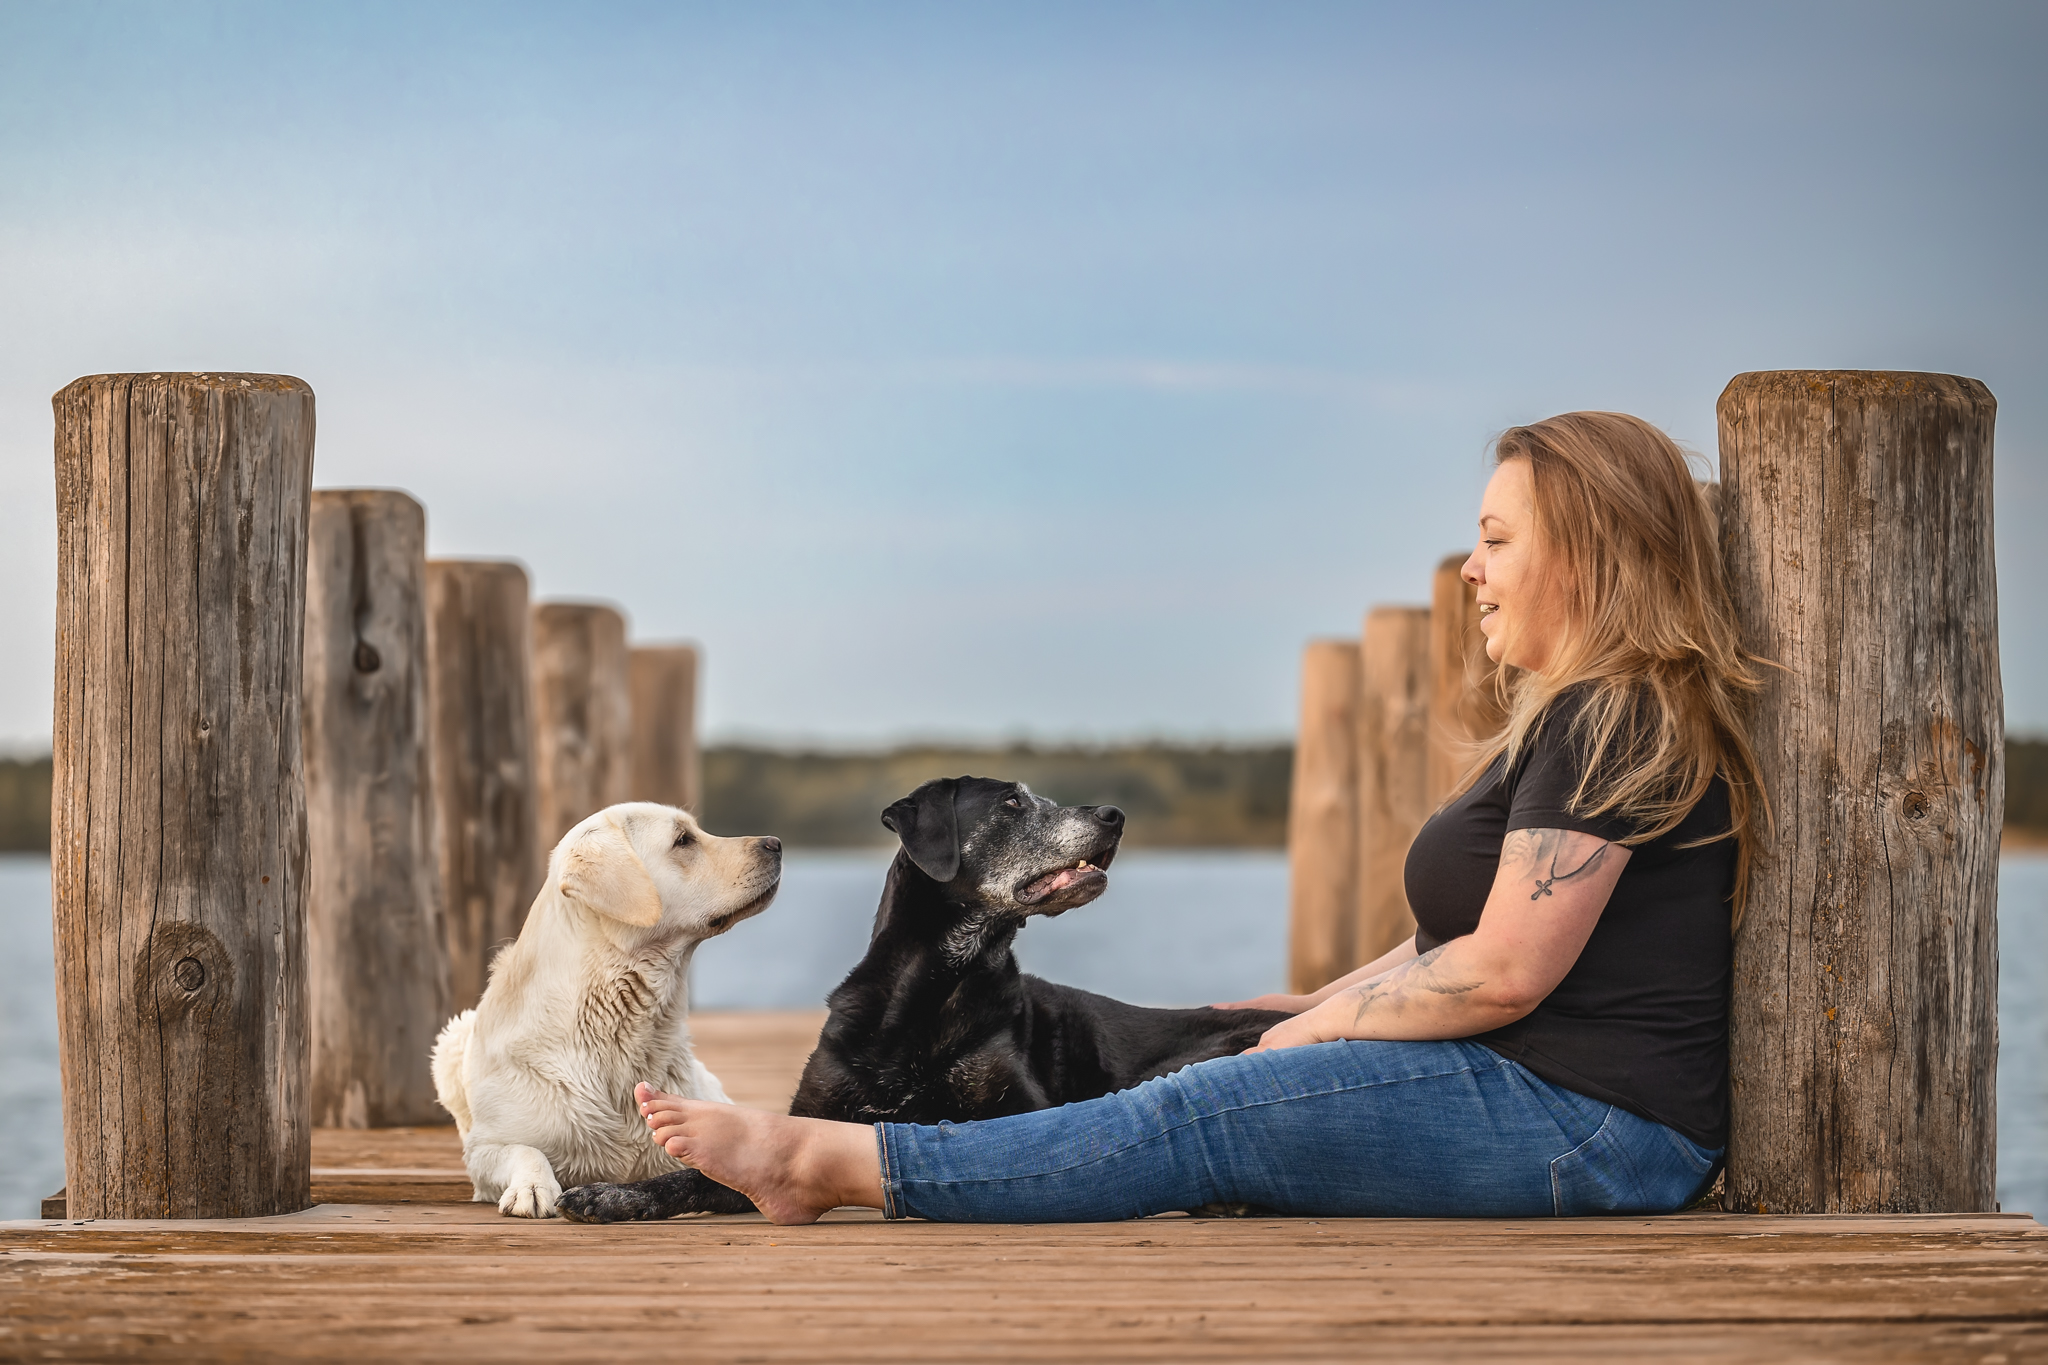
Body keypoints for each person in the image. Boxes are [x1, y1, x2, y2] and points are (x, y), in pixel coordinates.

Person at [635, 411, 1766, 1224]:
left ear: (1590, 549)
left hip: (1589, 1128)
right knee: (1224, 1058)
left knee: (1207, 1109)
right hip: (1547, 1100)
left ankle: (833, 1166)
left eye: (1497, 539)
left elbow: (1503, 972)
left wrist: (1314, 1034)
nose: (1471, 569)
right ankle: (860, 1157)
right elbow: (1454, 942)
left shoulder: (1614, 712)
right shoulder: (1578, 716)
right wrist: (1301, 1003)